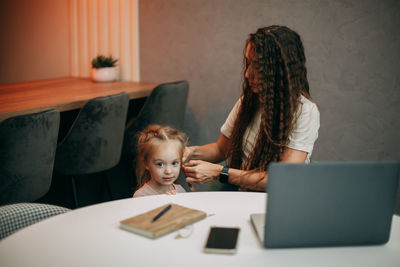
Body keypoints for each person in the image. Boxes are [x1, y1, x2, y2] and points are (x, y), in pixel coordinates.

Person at [182, 25, 320, 192]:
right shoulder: (248, 101)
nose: (248, 74)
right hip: (244, 197)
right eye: (248, 63)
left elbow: (283, 180)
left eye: (258, 66)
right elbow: (221, 149)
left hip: (279, 201)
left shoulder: (305, 111)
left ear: (280, 71)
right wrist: (188, 152)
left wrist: (219, 172)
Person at [133, 125, 188, 198]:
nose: (168, 171)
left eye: (174, 163)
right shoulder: (141, 196)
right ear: (146, 163)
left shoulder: (180, 190)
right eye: (160, 164)